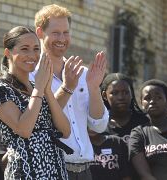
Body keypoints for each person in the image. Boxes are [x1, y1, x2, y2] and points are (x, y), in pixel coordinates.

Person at [32, 4, 109, 179]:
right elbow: (41, 121)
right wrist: (67, 87)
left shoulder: (82, 74)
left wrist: (94, 88)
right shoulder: (32, 76)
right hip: (51, 170)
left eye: (66, 32)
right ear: (39, 32)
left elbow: (99, 125)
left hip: (84, 171)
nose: (62, 38)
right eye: (56, 33)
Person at [0, 26, 71, 179]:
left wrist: (47, 90)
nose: (32, 55)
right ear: (7, 53)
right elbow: (24, 129)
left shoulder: (38, 86)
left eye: (36, 49)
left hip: (57, 173)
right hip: (26, 173)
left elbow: (65, 131)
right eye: (25, 49)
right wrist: (39, 88)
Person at [100, 73, 149, 144]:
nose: (121, 97)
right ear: (104, 95)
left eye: (126, 92)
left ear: (131, 94)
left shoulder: (144, 122)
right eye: (115, 93)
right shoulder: (98, 124)